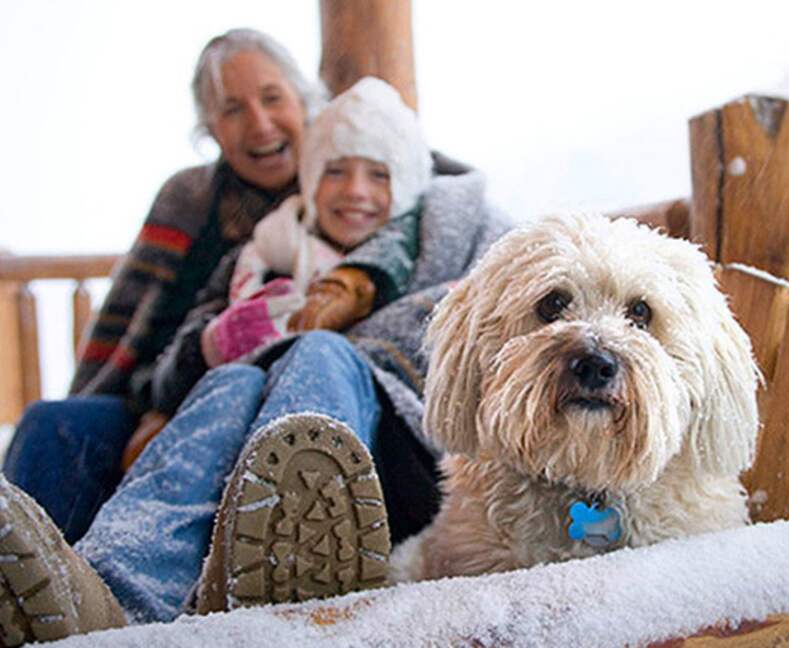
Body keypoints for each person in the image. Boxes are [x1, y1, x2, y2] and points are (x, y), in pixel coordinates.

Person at [0, 77, 512, 645]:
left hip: (386, 445)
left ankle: (294, 541)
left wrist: (330, 324)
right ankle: (114, 590)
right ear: (311, 181)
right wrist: (217, 342)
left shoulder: (435, 241)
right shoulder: (263, 254)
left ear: (409, 182)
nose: (355, 191)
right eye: (335, 172)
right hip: (248, 423)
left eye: (379, 174)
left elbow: (454, 327)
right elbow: (174, 369)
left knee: (317, 350)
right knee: (232, 381)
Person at [1, 28, 324, 544]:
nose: (260, 124)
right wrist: (153, 408)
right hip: (154, 390)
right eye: (232, 109)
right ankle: (29, 597)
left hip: (251, 404)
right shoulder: (188, 195)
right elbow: (129, 318)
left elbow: (429, 174)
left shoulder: (343, 184)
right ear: (211, 129)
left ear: (304, 102)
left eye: (272, 98)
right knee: (50, 426)